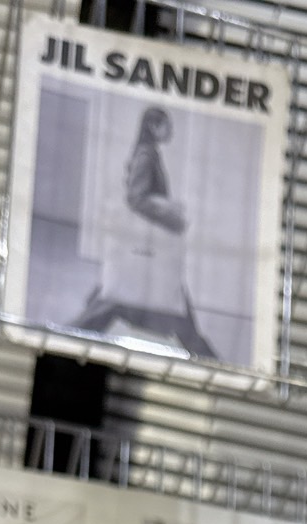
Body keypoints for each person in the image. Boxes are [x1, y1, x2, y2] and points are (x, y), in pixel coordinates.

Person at [74, 106, 218, 359]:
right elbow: (136, 198)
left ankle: (70, 335)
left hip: (145, 250)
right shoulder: (146, 156)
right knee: (168, 312)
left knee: (111, 301)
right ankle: (210, 362)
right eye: (166, 125)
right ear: (153, 126)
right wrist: (172, 216)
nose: (171, 131)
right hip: (148, 249)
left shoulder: (149, 154)